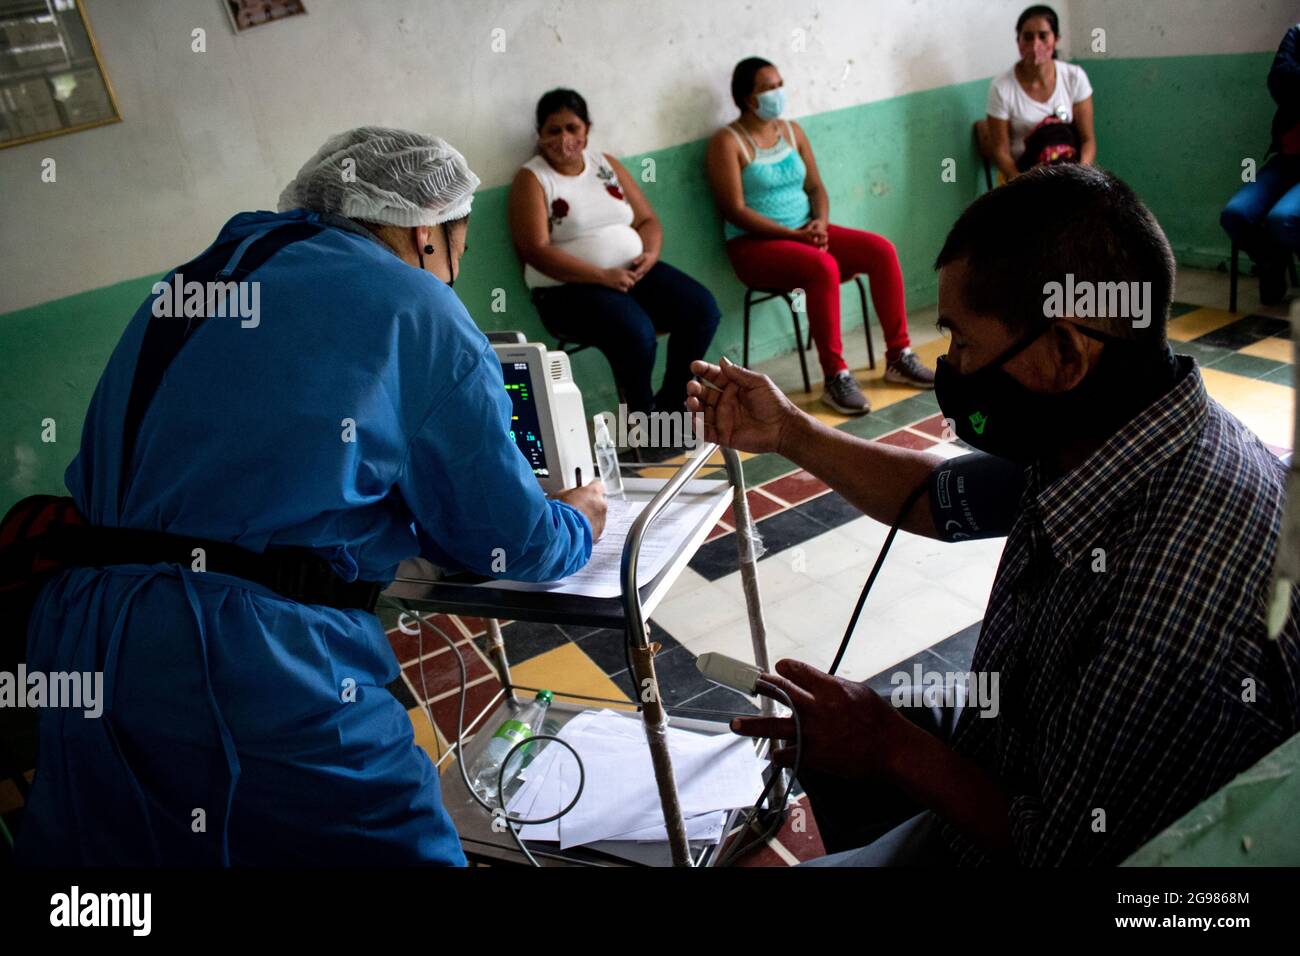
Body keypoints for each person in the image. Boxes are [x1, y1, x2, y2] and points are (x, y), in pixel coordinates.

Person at [15, 127, 607, 866]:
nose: (454, 272)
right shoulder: (416, 305)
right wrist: (574, 521)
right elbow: (508, 540)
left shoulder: (203, 274)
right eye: (459, 246)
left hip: (85, 633)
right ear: (429, 232)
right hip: (250, 659)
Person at [687, 164, 1300, 865]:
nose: (949, 365)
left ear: (1065, 349)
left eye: (963, 341)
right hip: (1008, 743)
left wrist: (889, 747)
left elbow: (1065, 854)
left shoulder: (1176, 601)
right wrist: (789, 431)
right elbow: (941, 499)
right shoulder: (1115, 423)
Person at [705, 57, 935, 416]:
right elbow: (735, 210)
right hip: (754, 247)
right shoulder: (727, 141)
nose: (778, 93)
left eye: (780, 83)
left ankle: (899, 355)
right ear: (747, 97)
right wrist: (792, 235)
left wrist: (819, 223)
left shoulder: (792, 131)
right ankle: (836, 377)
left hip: (806, 234)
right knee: (823, 267)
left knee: (880, 250)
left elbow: (815, 187)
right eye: (768, 87)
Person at [510, 88, 720, 433]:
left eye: (572, 128)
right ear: (539, 135)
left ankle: (671, 408)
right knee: (635, 332)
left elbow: (647, 221)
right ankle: (641, 423)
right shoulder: (532, 179)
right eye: (553, 130)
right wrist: (601, 276)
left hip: (631, 274)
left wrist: (649, 255)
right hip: (566, 291)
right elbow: (536, 250)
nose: (564, 138)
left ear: (586, 130)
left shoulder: (604, 164)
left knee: (701, 309)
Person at [1220, 22, 1300, 306]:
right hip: (1287, 159)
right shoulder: (1297, 33)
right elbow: (1279, 81)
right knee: (1235, 215)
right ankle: (1272, 261)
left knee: (1284, 219)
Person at [982, 5, 1096, 180]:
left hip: (1070, 175)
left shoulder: (1074, 77)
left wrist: (1080, 177)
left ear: (1056, 39)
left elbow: (1088, 140)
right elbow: (1001, 150)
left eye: (1043, 36)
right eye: (1027, 37)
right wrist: (1021, 184)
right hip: (1021, 176)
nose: (1035, 44)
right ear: (1018, 41)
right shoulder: (1002, 88)